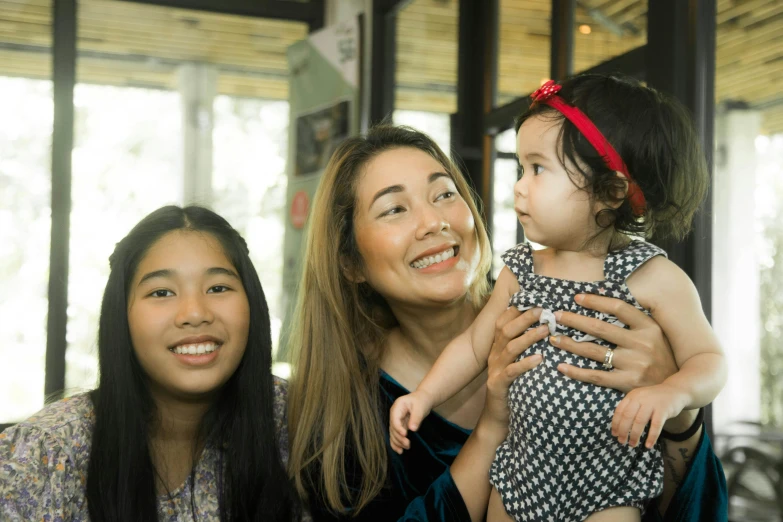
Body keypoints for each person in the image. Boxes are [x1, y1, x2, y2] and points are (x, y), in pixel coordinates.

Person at [286, 124, 727, 522]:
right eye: (394, 210)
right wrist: (493, 427)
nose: (434, 222)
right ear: (350, 263)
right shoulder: (345, 412)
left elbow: (695, 509)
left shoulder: (582, 301)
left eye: (444, 194)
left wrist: (679, 412)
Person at [389, 75, 728, 522]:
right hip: (521, 469)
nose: (519, 187)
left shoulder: (653, 277)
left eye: (538, 169)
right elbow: (474, 344)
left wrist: (672, 392)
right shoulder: (522, 269)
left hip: (608, 481)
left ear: (609, 192)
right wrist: (425, 396)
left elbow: (709, 361)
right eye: (520, 169)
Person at [0, 206, 301, 521]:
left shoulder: (300, 424)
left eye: (218, 288)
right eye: (161, 292)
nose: (195, 313)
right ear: (121, 315)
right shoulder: (43, 454)